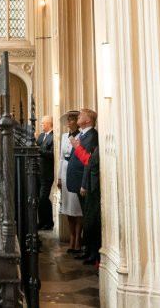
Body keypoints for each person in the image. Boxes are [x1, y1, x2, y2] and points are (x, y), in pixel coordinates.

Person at [67, 109, 99, 262]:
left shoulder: (92, 136)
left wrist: (84, 184)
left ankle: (93, 253)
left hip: (85, 182)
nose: (78, 116)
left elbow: (89, 163)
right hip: (79, 180)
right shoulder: (83, 134)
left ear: (89, 120)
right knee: (86, 217)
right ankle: (88, 250)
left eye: (82, 115)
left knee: (90, 218)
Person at [57, 111, 83, 253]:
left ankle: (78, 240)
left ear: (76, 122)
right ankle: (71, 237)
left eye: (72, 120)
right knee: (67, 208)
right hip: (66, 170)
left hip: (76, 171)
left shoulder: (81, 136)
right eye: (68, 120)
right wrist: (59, 177)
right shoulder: (63, 136)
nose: (69, 122)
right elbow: (61, 158)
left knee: (77, 208)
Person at [80, 147, 101, 266]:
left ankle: (96, 257)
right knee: (90, 224)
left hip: (94, 191)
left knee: (92, 225)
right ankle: (92, 253)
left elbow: (89, 164)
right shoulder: (95, 150)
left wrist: (78, 148)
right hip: (91, 190)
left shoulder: (93, 139)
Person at [35, 115, 55, 230]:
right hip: (37, 171)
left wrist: (39, 149)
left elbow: (52, 154)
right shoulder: (42, 135)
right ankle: (42, 221)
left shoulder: (53, 137)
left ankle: (49, 222)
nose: (41, 124)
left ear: (49, 124)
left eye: (43, 123)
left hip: (46, 173)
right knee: (38, 198)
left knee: (43, 198)